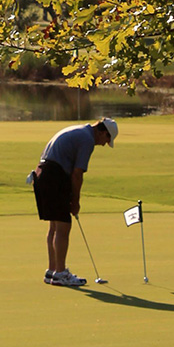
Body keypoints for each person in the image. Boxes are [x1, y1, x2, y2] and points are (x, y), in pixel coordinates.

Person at [31, 118, 118, 286]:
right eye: (106, 139)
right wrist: (76, 201)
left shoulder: (78, 131)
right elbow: (77, 174)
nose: (103, 144)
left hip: (42, 174)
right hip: (54, 176)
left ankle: (53, 270)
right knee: (63, 226)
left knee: (55, 226)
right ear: (102, 132)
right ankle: (60, 273)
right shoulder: (87, 140)